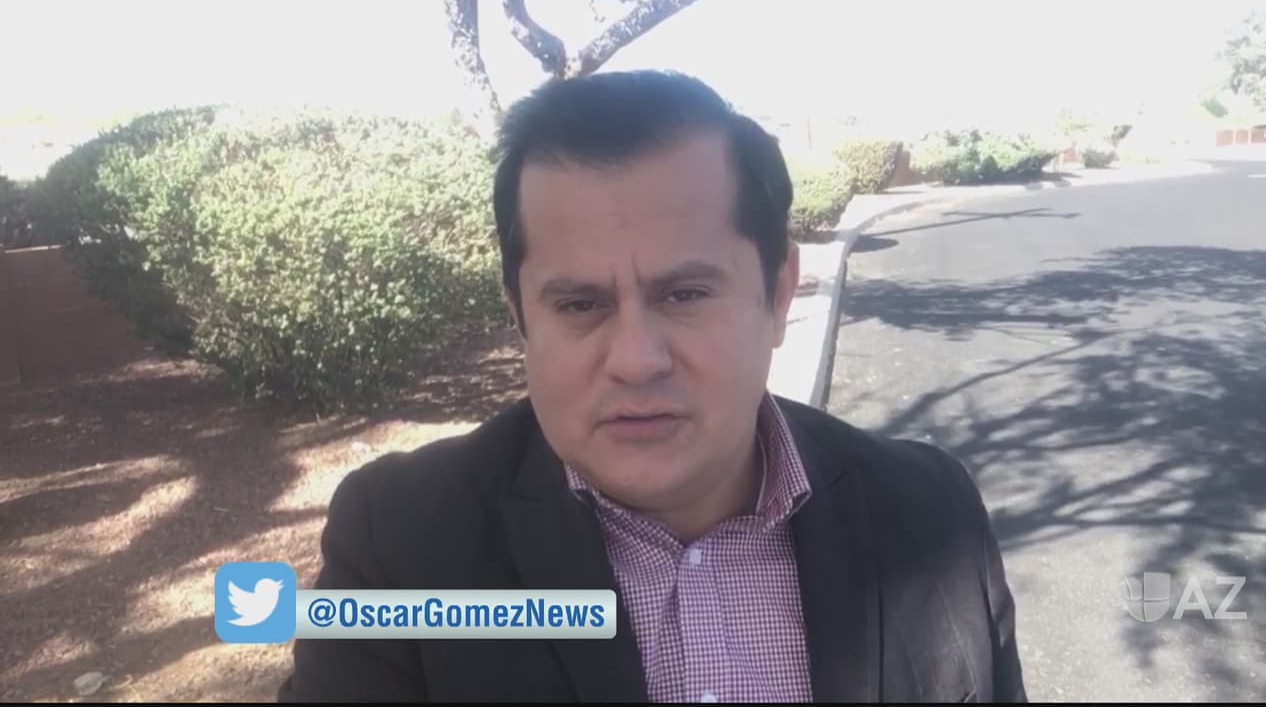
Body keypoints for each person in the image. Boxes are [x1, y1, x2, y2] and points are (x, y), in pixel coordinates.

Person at [278, 69, 1027, 703]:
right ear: (520, 317)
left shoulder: (929, 511)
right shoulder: (402, 547)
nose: (636, 360)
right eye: (580, 305)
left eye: (685, 294)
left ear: (777, 293)